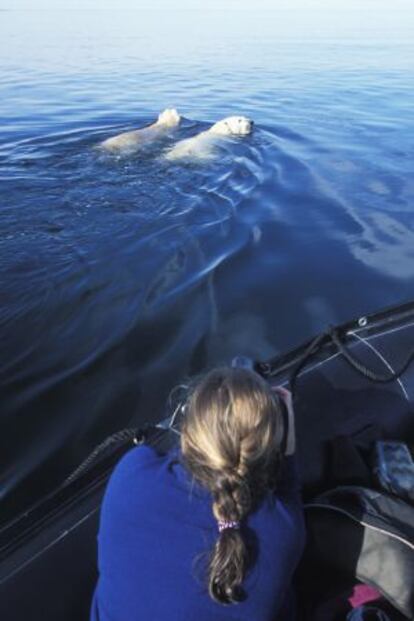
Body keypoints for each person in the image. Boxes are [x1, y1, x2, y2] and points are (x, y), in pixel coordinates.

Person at [90, 367, 306, 621]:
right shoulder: (282, 530)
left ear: (188, 430)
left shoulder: (132, 472)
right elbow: (289, 493)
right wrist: (287, 444)